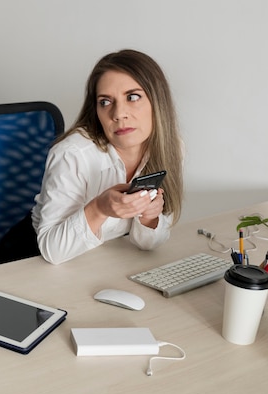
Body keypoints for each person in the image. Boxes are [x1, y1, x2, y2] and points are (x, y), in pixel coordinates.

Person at [32, 49, 184, 265]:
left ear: (157, 102)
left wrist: (149, 218)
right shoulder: (72, 154)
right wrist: (99, 208)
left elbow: (149, 245)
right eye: (105, 102)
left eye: (132, 97)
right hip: (33, 258)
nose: (118, 114)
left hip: (100, 260)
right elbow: (52, 251)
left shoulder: (170, 148)